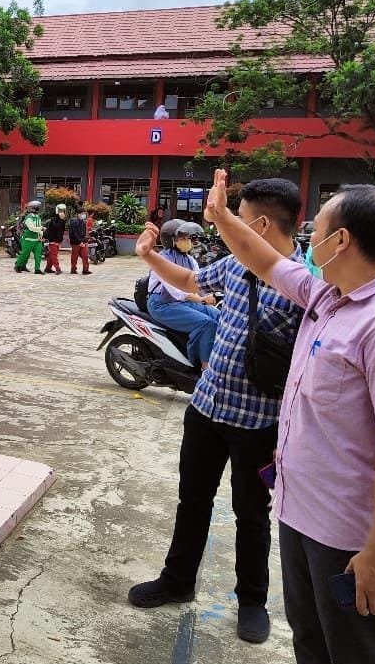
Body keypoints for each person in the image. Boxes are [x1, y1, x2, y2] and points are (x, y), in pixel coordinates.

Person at [203, 173, 375, 663]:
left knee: (355, 650)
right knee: (311, 637)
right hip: (303, 511)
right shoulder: (331, 295)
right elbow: (265, 260)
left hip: (349, 532)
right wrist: (223, 218)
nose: (305, 242)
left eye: (314, 232)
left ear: (341, 241)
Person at [129, 178, 306, 645]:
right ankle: (177, 580)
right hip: (206, 408)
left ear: (261, 224)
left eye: (241, 220)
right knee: (193, 500)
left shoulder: (303, 283)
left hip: (259, 422)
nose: (233, 228)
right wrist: (149, 256)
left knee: (252, 514)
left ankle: (252, 600)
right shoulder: (235, 263)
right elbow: (189, 281)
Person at [147, 220, 219, 368]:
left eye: (188, 238)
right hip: (163, 304)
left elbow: (199, 281)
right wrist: (201, 299)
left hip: (184, 303)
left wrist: (212, 292)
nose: (187, 241)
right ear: (171, 240)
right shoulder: (163, 259)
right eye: (183, 238)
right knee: (207, 324)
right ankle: (204, 367)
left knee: (220, 318)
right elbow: (176, 292)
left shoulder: (190, 259)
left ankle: (216, 358)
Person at [14, 200, 44, 274]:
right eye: (37, 207)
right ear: (33, 208)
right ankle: (18, 266)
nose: (38, 209)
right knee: (25, 254)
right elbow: (32, 228)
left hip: (37, 239)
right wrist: (41, 229)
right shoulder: (28, 217)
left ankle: (37, 269)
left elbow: (38, 227)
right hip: (28, 239)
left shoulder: (37, 217)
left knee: (38, 254)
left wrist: (41, 235)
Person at [43, 203, 67, 274]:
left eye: (63, 211)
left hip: (57, 241)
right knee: (54, 255)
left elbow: (61, 231)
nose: (62, 212)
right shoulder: (53, 220)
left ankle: (47, 268)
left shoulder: (62, 221)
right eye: (61, 211)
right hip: (53, 241)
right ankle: (58, 269)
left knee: (51, 255)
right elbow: (55, 228)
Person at [69, 208, 91, 275]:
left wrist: (84, 241)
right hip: (75, 242)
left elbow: (84, 233)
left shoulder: (83, 222)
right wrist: (79, 241)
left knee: (85, 255)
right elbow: (74, 233)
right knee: (74, 257)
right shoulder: (73, 222)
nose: (84, 215)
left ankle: (85, 269)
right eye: (82, 214)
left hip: (83, 242)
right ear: (78, 214)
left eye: (84, 214)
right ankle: (73, 269)